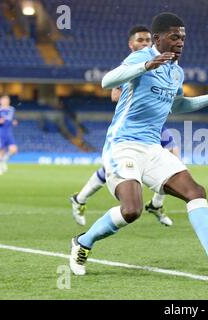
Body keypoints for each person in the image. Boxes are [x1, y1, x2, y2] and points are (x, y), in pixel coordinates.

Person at [69, 12, 208, 278]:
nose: (181, 41)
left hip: (152, 147)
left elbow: (179, 105)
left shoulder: (176, 72)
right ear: (157, 39)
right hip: (123, 144)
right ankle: (83, 242)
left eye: (183, 37)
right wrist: (147, 65)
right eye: (174, 36)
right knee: (132, 209)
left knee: (195, 191)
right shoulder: (141, 57)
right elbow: (107, 81)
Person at [70, 26, 176, 227]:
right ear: (131, 44)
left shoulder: (160, 62)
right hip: (132, 125)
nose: (144, 44)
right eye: (140, 40)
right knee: (116, 168)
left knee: (173, 156)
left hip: (153, 123)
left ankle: (156, 203)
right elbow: (114, 94)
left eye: (147, 40)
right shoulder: (130, 64)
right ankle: (80, 199)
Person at [0, 95, 18, 175]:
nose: (5, 101)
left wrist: (14, 122)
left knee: (14, 150)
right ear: (0, 101)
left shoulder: (12, 109)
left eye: (6, 100)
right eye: (3, 100)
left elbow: (14, 119)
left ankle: (4, 160)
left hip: (9, 133)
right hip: (1, 134)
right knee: (1, 152)